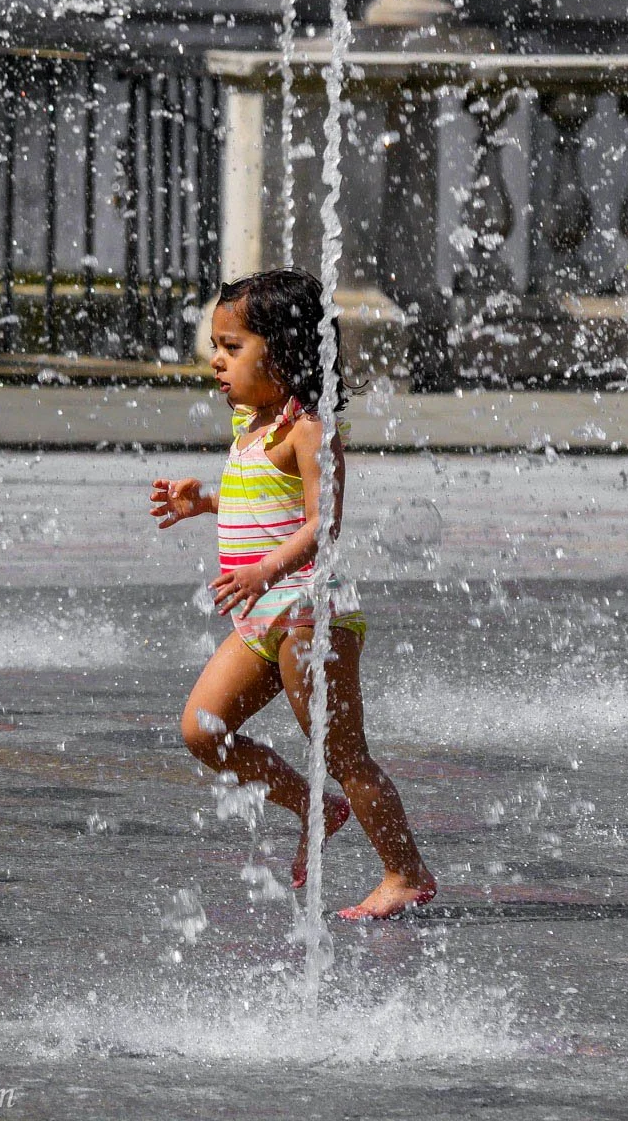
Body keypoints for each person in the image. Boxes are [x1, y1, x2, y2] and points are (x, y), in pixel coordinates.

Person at [149, 268, 437, 920]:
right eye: (215, 347)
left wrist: (264, 573)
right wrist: (207, 503)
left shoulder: (309, 430)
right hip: (262, 615)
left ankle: (405, 871)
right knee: (204, 729)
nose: (216, 362)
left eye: (232, 347)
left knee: (342, 753)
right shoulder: (251, 426)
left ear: (284, 350)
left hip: (311, 613)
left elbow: (321, 524)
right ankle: (313, 806)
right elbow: (261, 501)